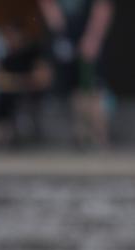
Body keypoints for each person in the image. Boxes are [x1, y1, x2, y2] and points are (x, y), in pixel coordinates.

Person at [38, 0, 115, 147]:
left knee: (94, 91)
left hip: (89, 36)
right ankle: (82, 136)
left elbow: (103, 7)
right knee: (75, 91)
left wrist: (93, 38)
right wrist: (59, 30)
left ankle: (100, 138)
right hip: (67, 36)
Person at [0, 23, 52, 147]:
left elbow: (41, 76)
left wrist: (20, 81)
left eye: (12, 36)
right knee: (1, 100)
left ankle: (9, 137)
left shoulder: (31, 52)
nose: (9, 39)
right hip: (11, 92)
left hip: (30, 91)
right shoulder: (7, 57)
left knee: (11, 100)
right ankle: (1, 137)